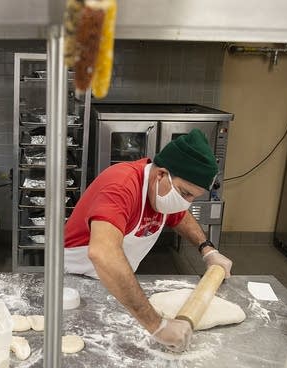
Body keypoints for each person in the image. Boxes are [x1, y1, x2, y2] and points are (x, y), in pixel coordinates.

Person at [64, 129, 233, 352]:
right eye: (184, 194)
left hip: (115, 281)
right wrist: (157, 325)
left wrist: (207, 250)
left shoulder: (163, 194)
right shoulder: (121, 185)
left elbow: (179, 216)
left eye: (193, 197)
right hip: (74, 282)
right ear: (161, 174)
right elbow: (102, 253)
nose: (187, 203)